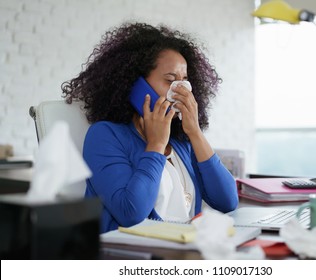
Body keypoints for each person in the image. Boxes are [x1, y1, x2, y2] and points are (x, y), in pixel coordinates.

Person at [61, 22, 238, 233]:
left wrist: (195, 132)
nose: (181, 91)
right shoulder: (105, 136)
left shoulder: (181, 142)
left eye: (185, 81)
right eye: (170, 80)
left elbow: (227, 201)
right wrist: (156, 145)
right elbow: (130, 213)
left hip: (183, 251)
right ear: (135, 85)